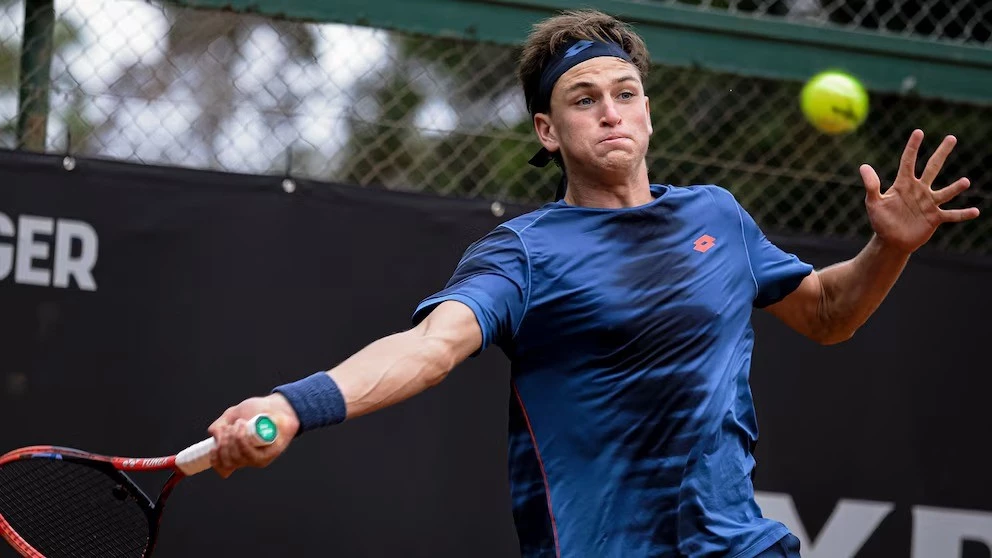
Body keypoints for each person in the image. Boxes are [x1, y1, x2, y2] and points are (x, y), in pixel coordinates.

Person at [206, 9, 979, 558]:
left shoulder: (720, 216)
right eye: (584, 99)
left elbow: (830, 314)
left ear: (647, 112)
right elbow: (430, 348)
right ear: (548, 130)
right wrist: (293, 406)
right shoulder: (523, 252)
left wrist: (890, 248)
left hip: (739, 545)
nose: (609, 111)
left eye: (625, 93)